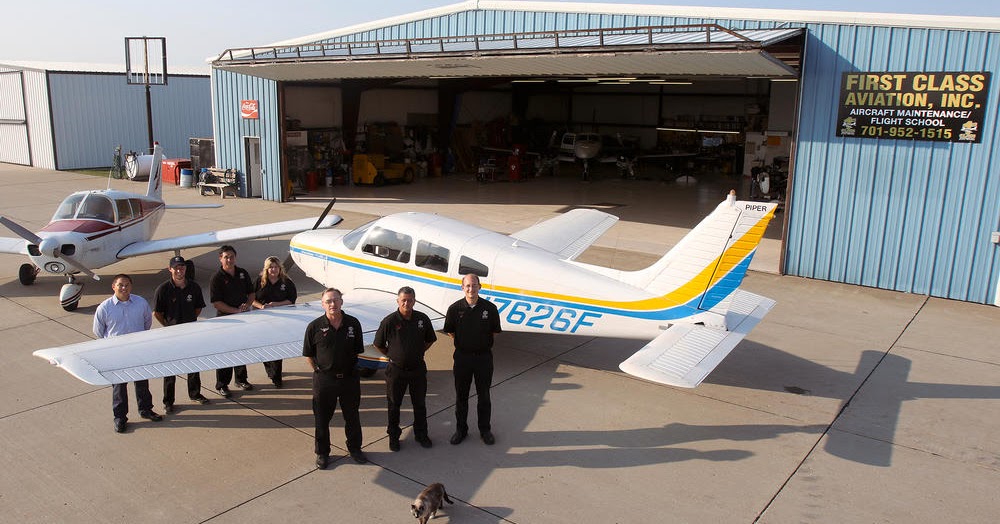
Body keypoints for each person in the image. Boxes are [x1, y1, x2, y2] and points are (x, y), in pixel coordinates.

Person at [303, 288, 368, 468]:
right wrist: (319, 370)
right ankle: (323, 453)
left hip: (349, 379)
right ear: (323, 304)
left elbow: (357, 350)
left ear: (341, 302)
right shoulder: (314, 327)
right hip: (325, 381)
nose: (333, 304)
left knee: (352, 416)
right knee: (322, 419)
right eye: (328, 301)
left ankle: (355, 448)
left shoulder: (353, 324)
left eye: (336, 300)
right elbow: (308, 354)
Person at [373, 286, 437, 451]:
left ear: (414, 301)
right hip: (396, 370)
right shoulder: (389, 321)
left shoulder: (422, 319)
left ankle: (421, 434)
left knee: (420, 404)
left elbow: (430, 339)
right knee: (394, 405)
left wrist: (419, 351)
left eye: (410, 300)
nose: (407, 303)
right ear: (398, 301)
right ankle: (394, 437)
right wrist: (393, 355)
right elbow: (378, 344)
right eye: (403, 300)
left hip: (417, 369)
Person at [93, 274, 160, 433]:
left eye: (127, 285)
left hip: (137, 350)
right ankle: (120, 418)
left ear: (131, 286)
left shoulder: (140, 303)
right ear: (113, 287)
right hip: (117, 354)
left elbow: (146, 323)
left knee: (142, 382)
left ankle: (145, 410)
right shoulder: (105, 307)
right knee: (119, 387)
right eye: (120, 285)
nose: (124, 288)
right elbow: (98, 331)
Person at [442, 273, 502, 446]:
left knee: (484, 396)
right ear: (462, 288)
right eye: (467, 286)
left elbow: (494, 332)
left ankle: (485, 430)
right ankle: (461, 430)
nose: (471, 289)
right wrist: (465, 344)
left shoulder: (490, 308)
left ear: (479, 287)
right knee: (461, 397)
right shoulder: (454, 309)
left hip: (483, 359)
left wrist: (479, 344)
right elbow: (450, 331)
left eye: (474, 285)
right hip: (462, 359)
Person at [153, 255, 210, 412]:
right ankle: (168, 401)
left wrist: (190, 321)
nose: (180, 270)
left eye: (182, 267)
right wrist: (168, 326)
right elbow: (157, 313)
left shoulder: (194, 287)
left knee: (193, 365)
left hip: (191, 333)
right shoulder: (163, 289)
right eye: (176, 267)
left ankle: (195, 394)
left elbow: (198, 308)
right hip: (172, 335)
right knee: (171, 369)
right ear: (170, 269)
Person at [210, 245, 255, 397]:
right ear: (220, 258)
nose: (229, 260)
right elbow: (216, 302)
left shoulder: (242, 273)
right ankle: (222, 384)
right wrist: (235, 311)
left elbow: (251, 293)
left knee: (241, 349)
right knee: (225, 352)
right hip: (226, 321)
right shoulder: (217, 278)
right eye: (226, 257)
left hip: (243, 318)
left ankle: (241, 379)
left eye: (232, 257)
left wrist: (247, 305)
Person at [251, 255, 297, 388]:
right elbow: (251, 298)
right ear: (266, 269)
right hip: (262, 319)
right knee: (265, 346)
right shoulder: (259, 281)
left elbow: (291, 300)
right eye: (271, 267)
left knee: (277, 347)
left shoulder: (286, 282)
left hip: (280, 319)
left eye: (276, 267)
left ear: (280, 268)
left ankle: (277, 377)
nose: (273, 269)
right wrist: (261, 306)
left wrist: (276, 304)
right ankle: (270, 371)